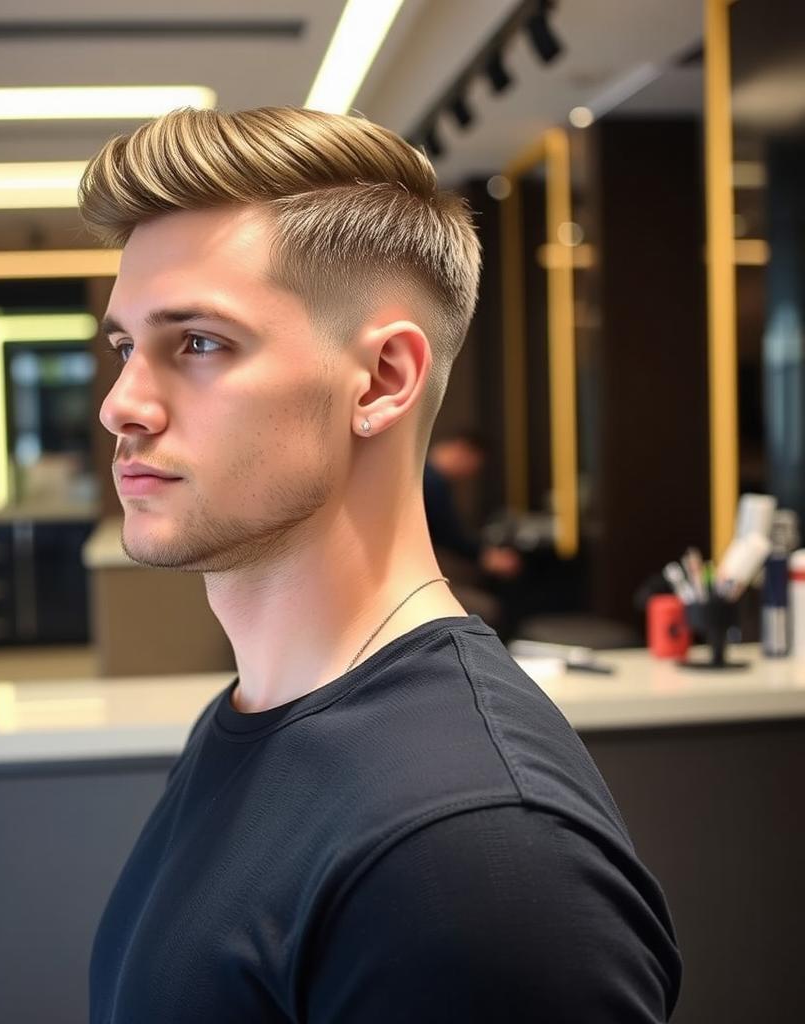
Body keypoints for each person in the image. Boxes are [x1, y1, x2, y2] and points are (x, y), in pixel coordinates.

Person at [81, 106, 681, 1022]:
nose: (122, 405)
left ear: (383, 381)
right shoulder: (255, 715)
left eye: (197, 343)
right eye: (126, 347)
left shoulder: (474, 856)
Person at [424, 430, 521, 629]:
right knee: (489, 610)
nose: (471, 473)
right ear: (462, 450)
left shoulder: (428, 476)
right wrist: (485, 556)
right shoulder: (431, 481)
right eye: (475, 465)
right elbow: (449, 535)